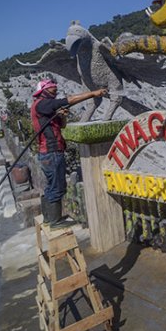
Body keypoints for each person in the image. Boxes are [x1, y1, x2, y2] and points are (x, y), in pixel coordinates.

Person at [31, 78, 107, 228]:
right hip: (51, 152)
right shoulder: (42, 104)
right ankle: (55, 221)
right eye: (53, 87)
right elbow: (69, 100)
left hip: (49, 152)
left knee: (51, 186)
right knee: (57, 187)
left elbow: (63, 126)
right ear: (44, 89)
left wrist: (62, 115)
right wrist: (93, 93)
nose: (56, 89)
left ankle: (48, 218)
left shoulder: (45, 108)